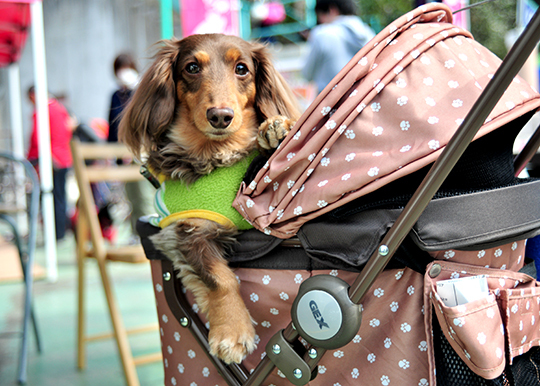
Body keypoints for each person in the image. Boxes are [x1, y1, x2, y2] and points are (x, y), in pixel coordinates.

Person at [108, 53, 154, 240]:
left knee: (145, 195)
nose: (122, 73)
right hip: (123, 154)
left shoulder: (143, 91)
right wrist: (112, 152)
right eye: (119, 70)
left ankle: (149, 235)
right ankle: (136, 234)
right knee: (131, 196)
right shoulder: (116, 95)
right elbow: (111, 125)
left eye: (125, 68)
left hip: (141, 153)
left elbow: (147, 124)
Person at [27, 86, 74, 241]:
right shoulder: (61, 109)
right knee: (60, 198)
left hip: (50, 161)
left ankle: (53, 234)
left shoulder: (41, 111)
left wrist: (29, 160)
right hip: (64, 159)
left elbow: (36, 139)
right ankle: (60, 233)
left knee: (48, 198)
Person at [302, 0, 375, 93]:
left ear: (331, 10)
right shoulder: (369, 33)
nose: (320, 21)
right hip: (364, 99)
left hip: (332, 102)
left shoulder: (322, 34)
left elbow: (307, 74)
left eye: (319, 16)